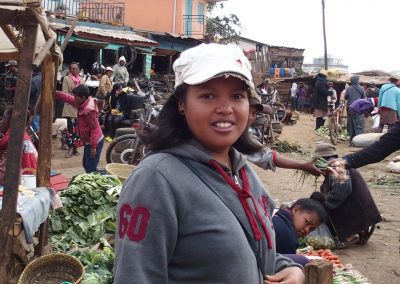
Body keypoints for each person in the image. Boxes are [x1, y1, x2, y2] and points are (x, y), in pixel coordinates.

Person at [114, 43, 304, 284]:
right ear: (182, 103)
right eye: (208, 95)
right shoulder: (156, 179)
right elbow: (136, 276)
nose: (225, 108)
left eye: (237, 96)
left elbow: (250, 251)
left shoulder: (243, 171)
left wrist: (289, 269)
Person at [315, 142, 381, 248]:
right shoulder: (341, 165)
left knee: (327, 208)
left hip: (355, 207)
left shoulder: (335, 169)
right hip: (362, 206)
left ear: (321, 159)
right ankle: (362, 229)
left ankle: (350, 234)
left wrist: (322, 203)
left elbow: (339, 194)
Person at [56, 85, 104, 173]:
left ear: (83, 97)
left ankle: (98, 179)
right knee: (86, 164)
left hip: (95, 141)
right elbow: (69, 98)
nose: (74, 99)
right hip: (88, 141)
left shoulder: (89, 111)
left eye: (76, 97)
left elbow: (94, 129)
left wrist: (93, 147)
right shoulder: (81, 102)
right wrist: (57, 93)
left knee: (90, 167)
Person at [272, 193, 327, 264]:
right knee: (302, 261)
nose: (307, 230)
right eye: (307, 222)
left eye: (311, 229)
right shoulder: (288, 236)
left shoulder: (279, 214)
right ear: (295, 210)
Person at [0, 107, 37, 184]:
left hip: (23, 180)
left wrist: (2, 131)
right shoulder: (22, 133)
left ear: (11, 121)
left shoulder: (13, 136)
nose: (1, 121)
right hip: (32, 175)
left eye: (4, 118)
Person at [62, 62, 84, 156]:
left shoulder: (82, 80)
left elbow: (85, 93)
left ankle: (75, 148)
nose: (73, 70)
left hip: (79, 108)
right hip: (69, 107)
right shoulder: (66, 78)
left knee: (77, 129)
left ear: (78, 69)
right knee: (70, 130)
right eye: (71, 68)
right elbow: (65, 92)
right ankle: (70, 148)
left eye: (75, 68)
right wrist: (75, 99)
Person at [345, 76, 365, 140]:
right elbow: (364, 98)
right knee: (358, 123)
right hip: (358, 108)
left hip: (350, 108)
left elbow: (345, 97)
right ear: (357, 80)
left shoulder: (348, 88)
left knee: (351, 123)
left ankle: (352, 139)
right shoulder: (361, 88)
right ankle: (358, 139)